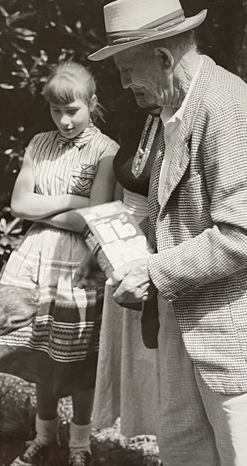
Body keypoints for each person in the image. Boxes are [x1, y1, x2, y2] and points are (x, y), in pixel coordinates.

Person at [87, 0, 247, 466]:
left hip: (241, 331)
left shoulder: (227, 108)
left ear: (165, 58)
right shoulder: (174, 109)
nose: (125, 83)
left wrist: (152, 271)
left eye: (129, 69)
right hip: (190, 323)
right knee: (187, 452)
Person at [0, 61, 118, 466]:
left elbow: (95, 217)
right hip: (37, 259)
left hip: (79, 262)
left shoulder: (105, 150)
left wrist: (53, 209)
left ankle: (80, 444)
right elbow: (20, 203)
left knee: (76, 355)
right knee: (43, 352)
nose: (64, 120)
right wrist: (74, 201)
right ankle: (44, 435)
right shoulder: (39, 144)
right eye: (56, 111)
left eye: (72, 110)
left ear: (92, 104)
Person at [91, 104, 161, 437]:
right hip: (124, 245)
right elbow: (123, 186)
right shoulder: (136, 117)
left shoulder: (183, 124)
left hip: (157, 249)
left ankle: (172, 440)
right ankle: (147, 430)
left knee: (157, 354)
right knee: (130, 350)